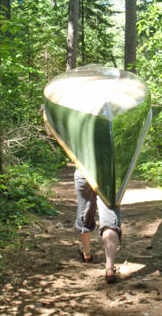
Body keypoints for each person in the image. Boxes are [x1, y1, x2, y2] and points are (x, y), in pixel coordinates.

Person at [41, 104, 121, 284]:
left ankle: (86, 254)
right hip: (108, 174)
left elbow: (51, 132)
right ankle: (109, 268)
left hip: (83, 173)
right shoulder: (111, 125)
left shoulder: (78, 125)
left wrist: (46, 113)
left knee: (85, 213)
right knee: (110, 218)